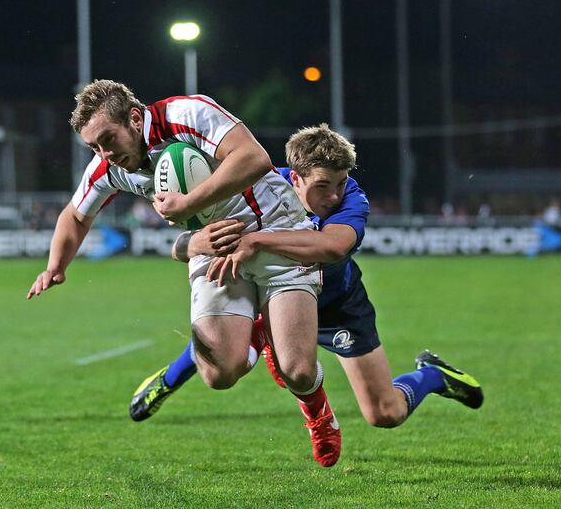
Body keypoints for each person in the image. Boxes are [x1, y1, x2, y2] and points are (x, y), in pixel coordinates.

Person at [26, 80, 340, 467]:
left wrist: (189, 203)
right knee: (219, 373)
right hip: (213, 245)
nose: (104, 152)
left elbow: (253, 158)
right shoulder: (108, 166)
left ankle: (319, 415)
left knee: (297, 370)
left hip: (275, 228)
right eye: (94, 147)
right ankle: (258, 332)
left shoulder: (186, 113)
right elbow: (75, 215)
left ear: (135, 118)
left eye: (108, 138)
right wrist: (55, 266)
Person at [130, 124, 483, 435]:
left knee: (384, 414)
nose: (334, 196)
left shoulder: (353, 199)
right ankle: (166, 380)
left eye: (341, 183)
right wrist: (189, 242)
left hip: (336, 306)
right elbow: (188, 244)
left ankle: (433, 376)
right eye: (323, 185)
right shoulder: (257, 187)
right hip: (274, 298)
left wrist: (255, 240)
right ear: (294, 179)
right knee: (230, 349)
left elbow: (332, 247)